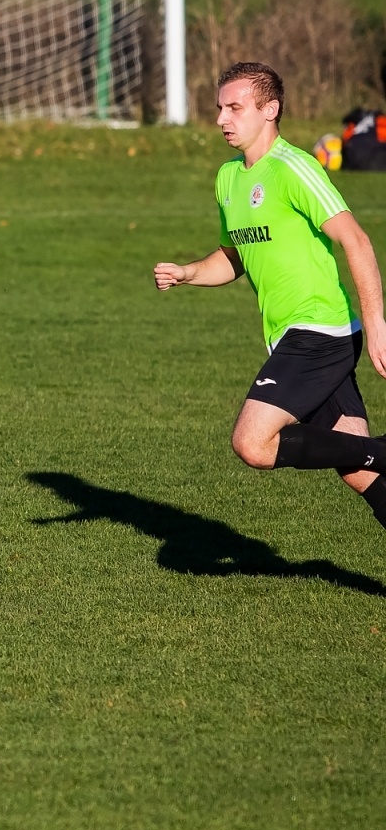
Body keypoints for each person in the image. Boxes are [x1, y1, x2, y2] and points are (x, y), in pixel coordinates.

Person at [154, 62, 386, 528]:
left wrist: (377, 324)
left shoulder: (294, 167)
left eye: (234, 108)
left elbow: (356, 240)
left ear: (270, 109)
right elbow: (235, 256)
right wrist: (189, 272)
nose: (221, 119)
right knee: (359, 469)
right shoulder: (228, 178)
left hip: (320, 330)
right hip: (289, 336)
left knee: (252, 443)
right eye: (219, 108)